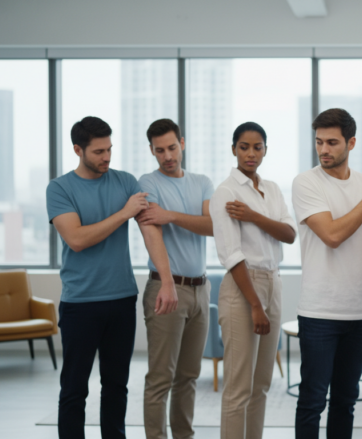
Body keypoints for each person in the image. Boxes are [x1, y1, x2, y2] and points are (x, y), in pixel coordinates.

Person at [291, 108, 362, 439]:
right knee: (312, 401)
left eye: (332, 142)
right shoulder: (306, 182)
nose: (323, 150)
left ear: (351, 142)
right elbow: (332, 236)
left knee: (346, 401)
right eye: (319, 142)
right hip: (319, 311)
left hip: (359, 312)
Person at [47, 116, 147, 439]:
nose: (106, 157)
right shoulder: (60, 188)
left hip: (122, 299)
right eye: (98, 151)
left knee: (117, 386)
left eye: (109, 150)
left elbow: (150, 228)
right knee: (75, 389)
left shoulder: (126, 182)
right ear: (78, 149)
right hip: (80, 304)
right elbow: (75, 239)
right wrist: (122, 214)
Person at [210, 122, 297, 439]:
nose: (250, 153)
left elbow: (288, 234)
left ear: (265, 150)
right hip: (243, 288)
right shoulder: (226, 192)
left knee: (262, 384)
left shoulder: (272, 189)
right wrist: (255, 305)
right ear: (233, 148)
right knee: (238, 387)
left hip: (274, 282)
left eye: (257, 147)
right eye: (244, 146)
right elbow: (231, 254)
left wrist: (252, 216)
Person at [136, 118, 214, 439]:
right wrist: (167, 283)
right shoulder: (147, 182)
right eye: (159, 150)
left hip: (200, 289)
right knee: (160, 378)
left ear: (182, 143)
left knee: (189, 376)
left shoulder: (202, 182)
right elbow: (151, 232)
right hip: (166, 287)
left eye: (171, 147)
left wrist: (170, 215)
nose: (167, 156)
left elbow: (212, 226)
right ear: (152, 151)